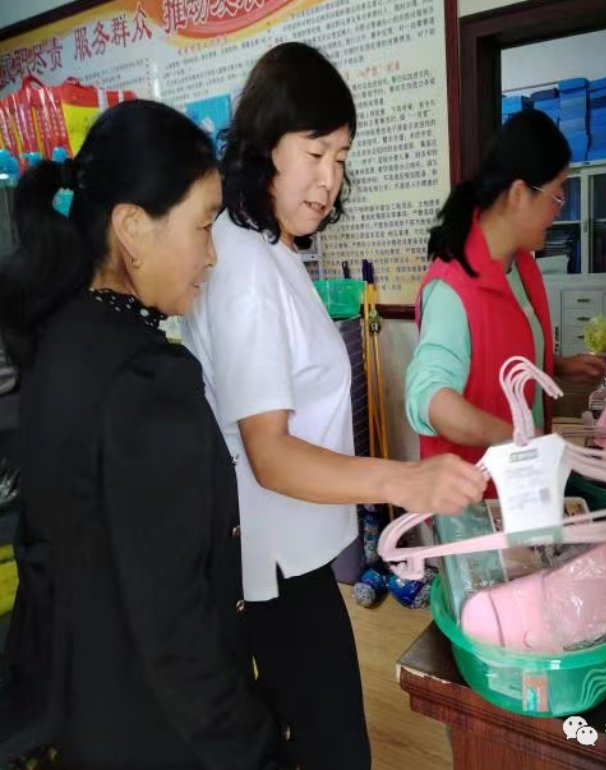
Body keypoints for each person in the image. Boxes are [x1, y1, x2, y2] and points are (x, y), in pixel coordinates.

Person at [181, 42, 486, 770]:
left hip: (297, 553)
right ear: (265, 146)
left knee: (326, 740)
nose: (329, 180)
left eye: (341, 158)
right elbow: (270, 453)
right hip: (272, 564)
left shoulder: (271, 248)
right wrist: (403, 478)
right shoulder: (244, 263)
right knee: (333, 749)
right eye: (315, 153)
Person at [0, 100, 284, 770]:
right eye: (203, 225)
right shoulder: (147, 380)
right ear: (132, 227)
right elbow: (176, 630)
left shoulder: (57, 340)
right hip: (157, 733)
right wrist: (257, 753)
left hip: (84, 715)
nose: (211, 255)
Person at [406, 110, 606, 464]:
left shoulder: (520, 265)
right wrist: (520, 437)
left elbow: (498, 358)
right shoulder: (452, 290)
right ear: (518, 193)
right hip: (476, 488)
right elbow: (429, 396)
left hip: (524, 479)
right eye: (556, 196)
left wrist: (557, 366)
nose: (558, 210)